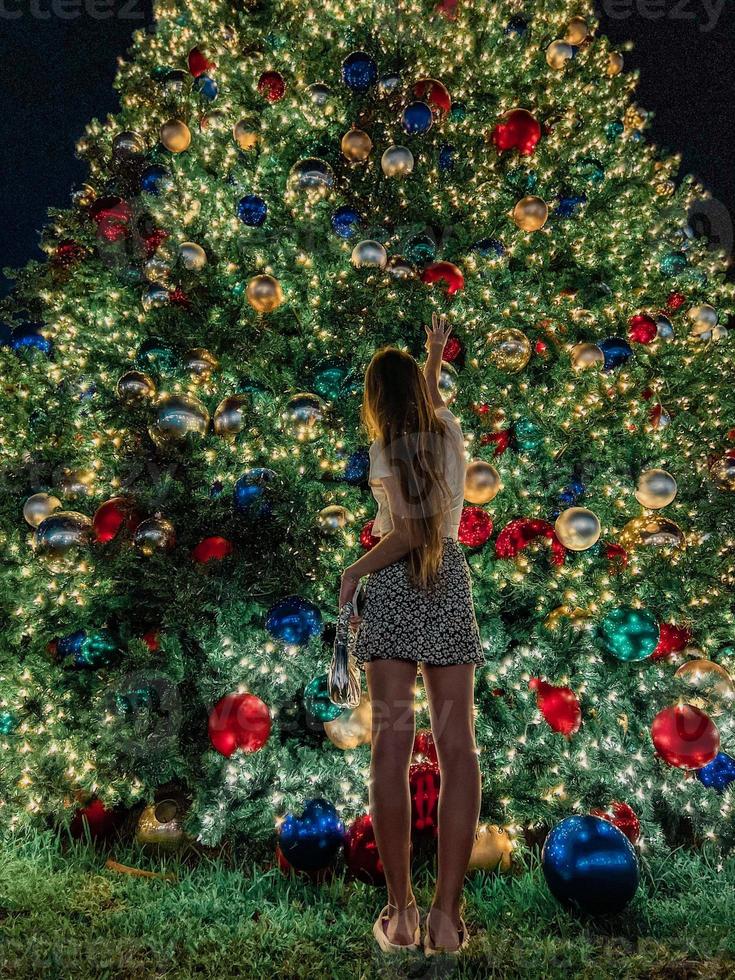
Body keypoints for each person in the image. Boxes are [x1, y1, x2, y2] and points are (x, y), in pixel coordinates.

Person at [339, 314, 484, 955]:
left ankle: (400, 916)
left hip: (398, 583)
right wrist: (430, 365)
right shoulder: (447, 432)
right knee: (458, 751)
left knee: (390, 752)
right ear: (423, 395)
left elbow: (408, 532)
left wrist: (354, 571)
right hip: (447, 581)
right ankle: (445, 920)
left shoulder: (385, 448)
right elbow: (434, 519)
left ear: (376, 402)